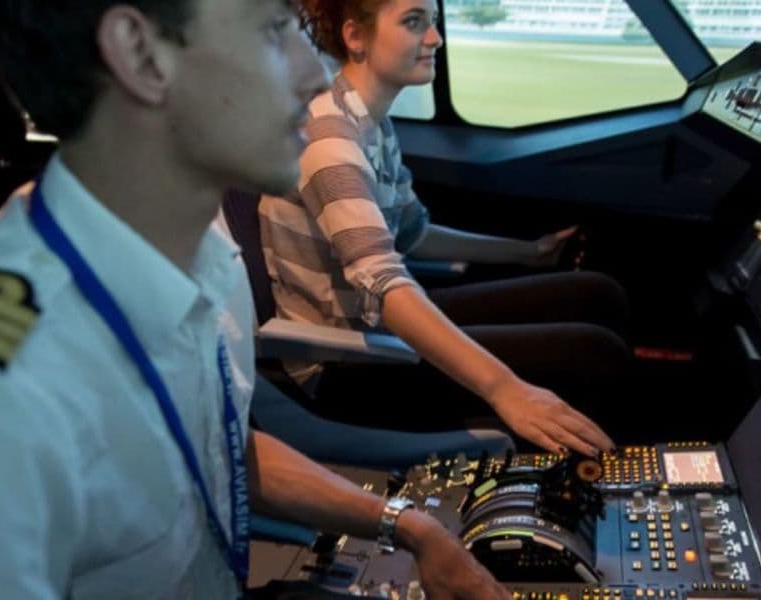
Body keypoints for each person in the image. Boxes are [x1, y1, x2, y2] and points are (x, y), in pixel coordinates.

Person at [0, 1, 511, 598]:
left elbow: (218, 444)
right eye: (273, 30)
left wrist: (407, 526)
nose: (314, 74)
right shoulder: (4, 385)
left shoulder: (211, 253)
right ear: (141, 55)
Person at [257, 0, 627, 456]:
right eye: (415, 22)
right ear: (356, 38)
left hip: (374, 328)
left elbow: (414, 233)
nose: (435, 38)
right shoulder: (331, 139)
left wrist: (527, 252)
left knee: (594, 292)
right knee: (592, 353)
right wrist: (506, 390)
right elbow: (382, 280)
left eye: (432, 22)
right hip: (343, 360)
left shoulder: (369, 122)